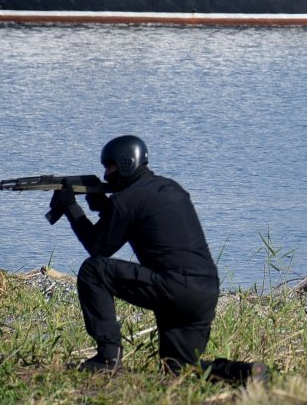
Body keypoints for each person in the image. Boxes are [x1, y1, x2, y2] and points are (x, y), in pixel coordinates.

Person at [52, 135, 264, 384]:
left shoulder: (127, 200)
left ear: (127, 162)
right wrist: (105, 208)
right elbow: (147, 219)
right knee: (178, 370)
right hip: (204, 292)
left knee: (93, 270)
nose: (106, 174)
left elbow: (99, 248)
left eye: (110, 166)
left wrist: (71, 208)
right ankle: (246, 374)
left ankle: (107, 359)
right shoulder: (171, 187)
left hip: (173, 287)